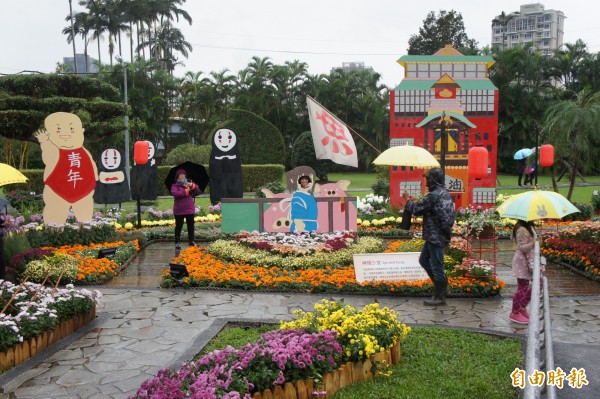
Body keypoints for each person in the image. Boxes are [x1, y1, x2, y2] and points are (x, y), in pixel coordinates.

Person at [402, 167, 455, 306]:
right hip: (439, 234)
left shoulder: (433, 196)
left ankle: (440, 296)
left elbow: (417, 209)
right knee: (424, 260)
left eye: (428, 179)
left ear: (433, 180)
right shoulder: (445, 193)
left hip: (435, 236)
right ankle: (442, 288)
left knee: (437, 266)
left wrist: (407, 200)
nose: (426, 182)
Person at [509, 219, 545, 324]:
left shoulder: (529, 226)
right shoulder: (522, 229)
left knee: (539, 283)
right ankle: (514, 312)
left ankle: (522, 306)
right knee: (522, 288)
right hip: (523, 262)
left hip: (531, 260)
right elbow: (521, 247)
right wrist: (534, 243)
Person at [171, 168, 198, 249]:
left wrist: (192, 186)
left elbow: (197, 188)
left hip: (189, 208)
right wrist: (186, 191)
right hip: (179, 210)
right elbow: (175, 193)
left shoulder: (189, 183)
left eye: (183, 174)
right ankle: (177, 242)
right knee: (179, 226)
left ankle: (191, 241)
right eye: (180, 174)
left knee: (191, 226)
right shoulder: (174, 186)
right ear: (177, 176)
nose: (182, 176)